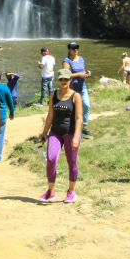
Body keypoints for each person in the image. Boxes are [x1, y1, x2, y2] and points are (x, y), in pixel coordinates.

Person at [38, 68, 83, 203]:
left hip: (70, 134)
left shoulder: (76, 96)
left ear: (70, 80)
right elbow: (50, 115)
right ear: (58, 80)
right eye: (61, 79)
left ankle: (71, 191)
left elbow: (78, 118)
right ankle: (51, 191)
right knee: (51, 159)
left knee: (71, 162)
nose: (63, 82)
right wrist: (44, 133)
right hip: (55, 133)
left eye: (66, 79)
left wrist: (76, 137)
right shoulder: (53, 94)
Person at [63, 42, 92, 136]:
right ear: (69, 50)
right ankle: (72, 128)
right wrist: (78, 75)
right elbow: (65, 75)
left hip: (82, 87)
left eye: (77, 48)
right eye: (73, 48)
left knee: (86, 105)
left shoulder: (81, 59)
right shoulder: (66, 61)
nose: (76, 50)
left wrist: (86, 73)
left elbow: (83, 70)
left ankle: (84, 127)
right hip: (72, 88)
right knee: (74, 109)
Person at [0, 70, 15, 162]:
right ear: (1, 77)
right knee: (0, 135)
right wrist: (12, 113)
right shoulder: (5, 88)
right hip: (2, 115)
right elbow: (10, 102)